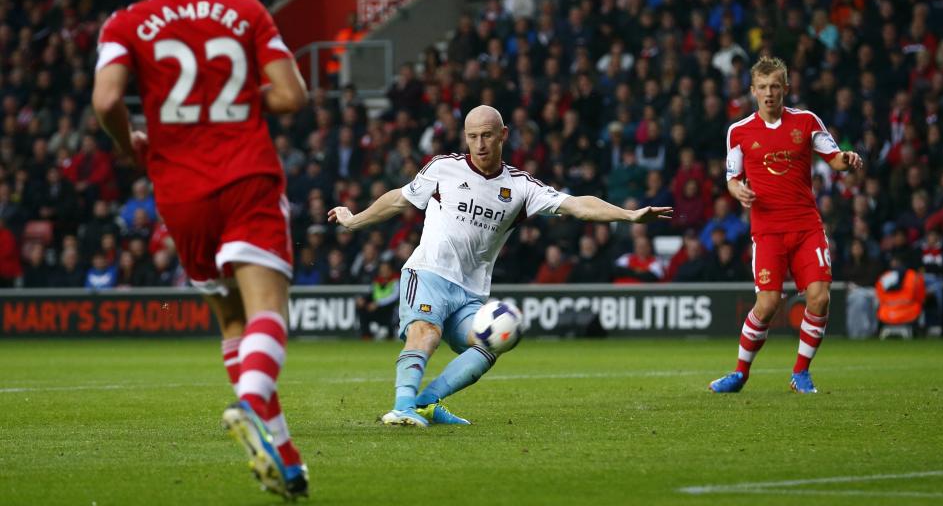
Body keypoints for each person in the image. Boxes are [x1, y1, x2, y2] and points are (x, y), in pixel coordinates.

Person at [91, 0, 309, 499]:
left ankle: (287, 461)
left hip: (179, 191)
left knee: (232, 319)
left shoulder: (125, 23)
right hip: (245, 174)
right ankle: (249, 401)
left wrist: (130, 142)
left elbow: (107, 97)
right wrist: (239, 98)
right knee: (268, 311)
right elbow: (291, 94)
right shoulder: (243, 11)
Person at [328, 105, 672, 426]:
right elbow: (399, 199)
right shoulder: (442, 168)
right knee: (426, 333)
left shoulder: (520, 186)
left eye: (487, 135)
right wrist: (355, 220)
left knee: (494, 343)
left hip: (470, 292)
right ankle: (401, 407)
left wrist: (627, 215)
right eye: (472, 136)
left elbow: (576, 205)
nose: (479, 144)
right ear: (465, 137)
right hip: (428, 273)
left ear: (503, 135)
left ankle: (426, 402)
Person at [709, 56, 863, 394]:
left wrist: (847, 160)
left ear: (786, 89)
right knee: (767, 305)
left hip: (807, 226)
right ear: (752, 91)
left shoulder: (806, 121)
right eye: (762, 87)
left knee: (820, 298)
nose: (769, 93)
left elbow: (834, 157)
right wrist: (739, 192)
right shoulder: (739, 131)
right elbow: (732, 178)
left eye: (775, 87)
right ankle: (739, 374)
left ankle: (800, 373)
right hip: (767, 231)